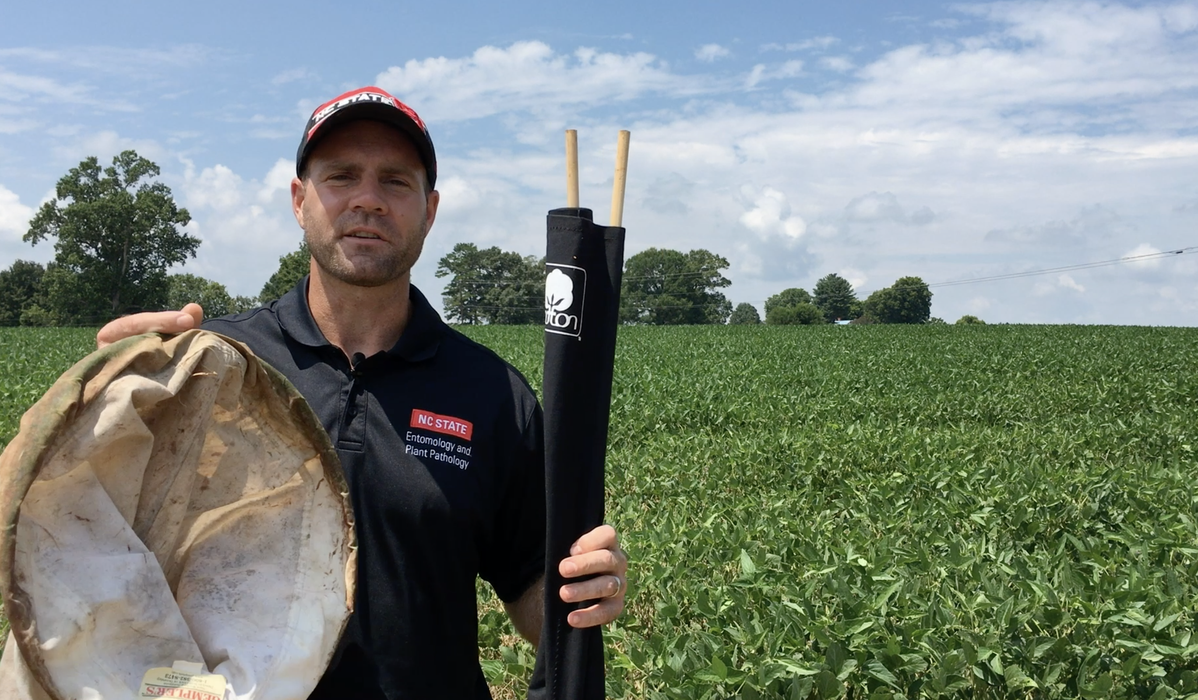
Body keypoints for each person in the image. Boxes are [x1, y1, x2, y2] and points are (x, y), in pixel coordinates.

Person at [97, 86, 628, 699]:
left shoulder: (492, 394)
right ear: (300, 201)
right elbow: (98, 538)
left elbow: (534, 593)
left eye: (395, 182)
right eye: (342, 177)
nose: (368, 200)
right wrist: (106, 403)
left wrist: (584, 591)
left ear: (429, 210)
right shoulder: (214, 371)